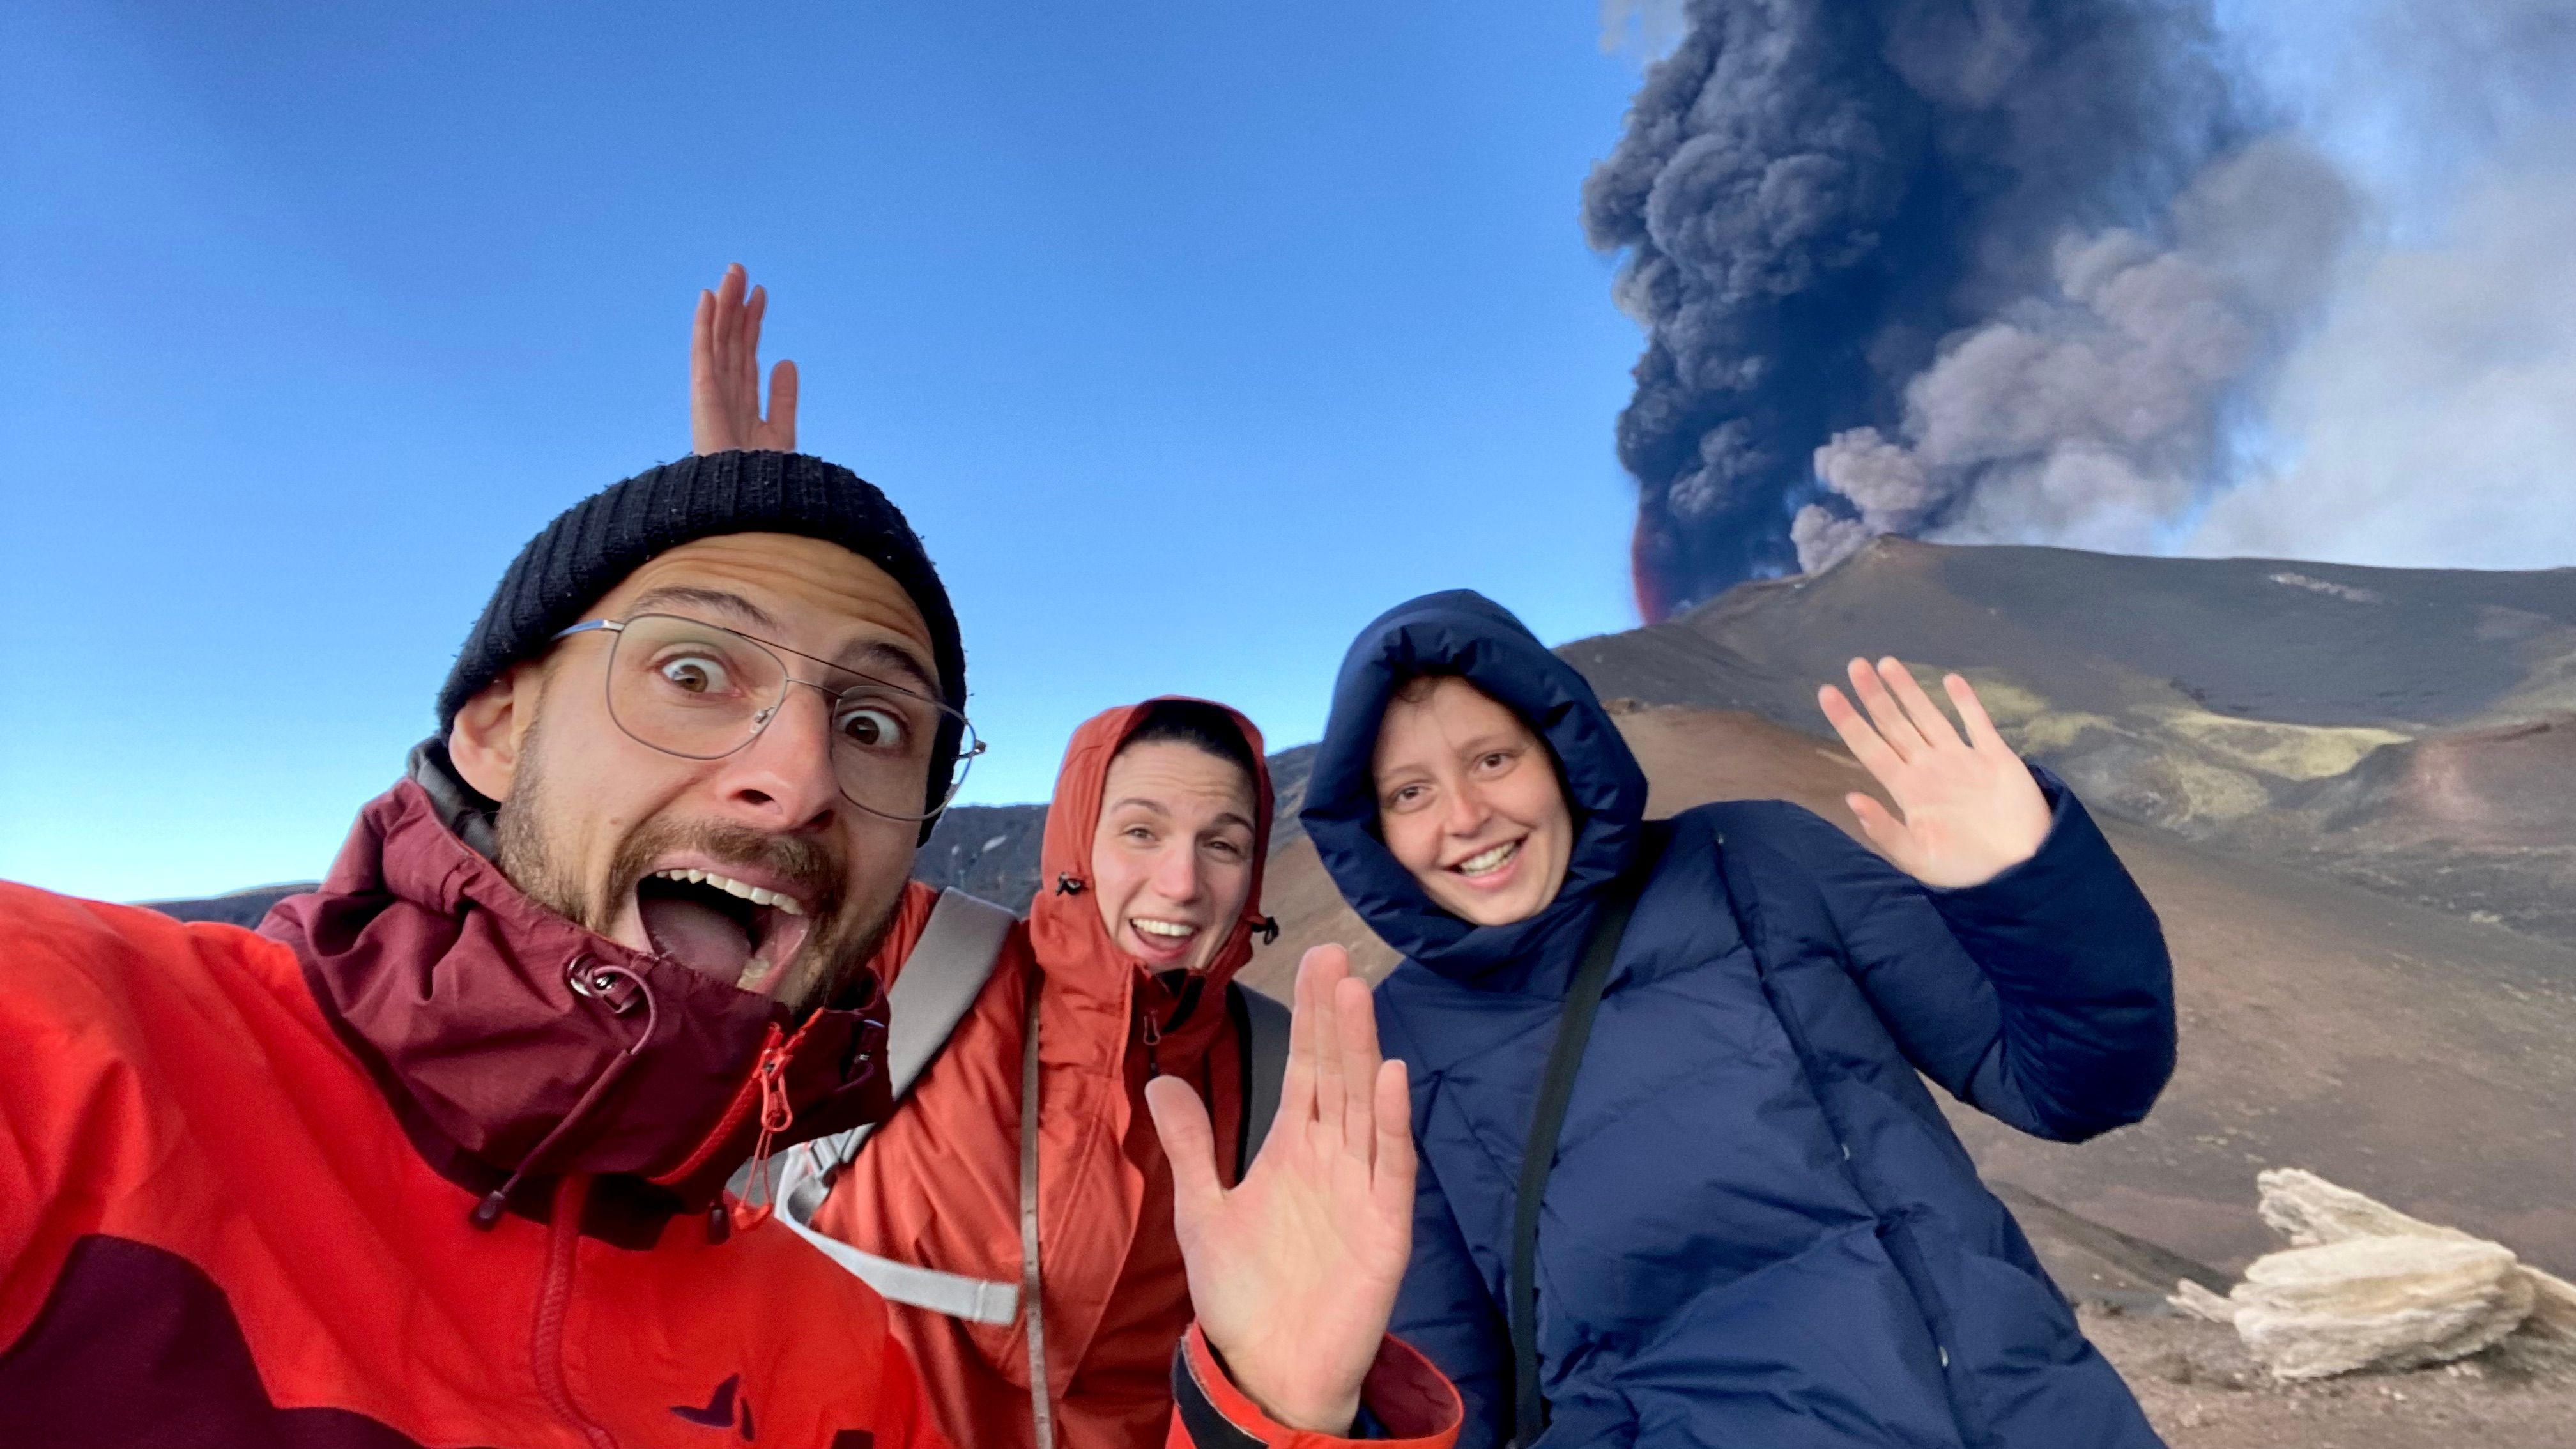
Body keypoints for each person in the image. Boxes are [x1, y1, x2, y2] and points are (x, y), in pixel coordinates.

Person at [0, 445, 1457, 1448]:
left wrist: (1270, 1408)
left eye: (873, 725)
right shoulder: (70, 1046)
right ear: (497, 724)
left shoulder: (825, 1348)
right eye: (696, 673)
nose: (798, 773)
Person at [1298, 589, 2177, 1448]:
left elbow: (2074, 1085)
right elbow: (1452, 1404)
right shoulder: (1392, 1048)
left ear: (1560, 751)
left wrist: (2025, 883)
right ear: (1371, 830)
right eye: (1409, 794)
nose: (1464, 816)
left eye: (1493, 760)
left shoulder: (1755, 858)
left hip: (2010, 1412)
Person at [687, 263, 1311, 1449]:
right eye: (1138, 832)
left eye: (1221, 843)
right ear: (1076, 840)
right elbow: (755, 831)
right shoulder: (921, 961)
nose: (1181, 883)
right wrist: (746, 549)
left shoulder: (1270, 1075)